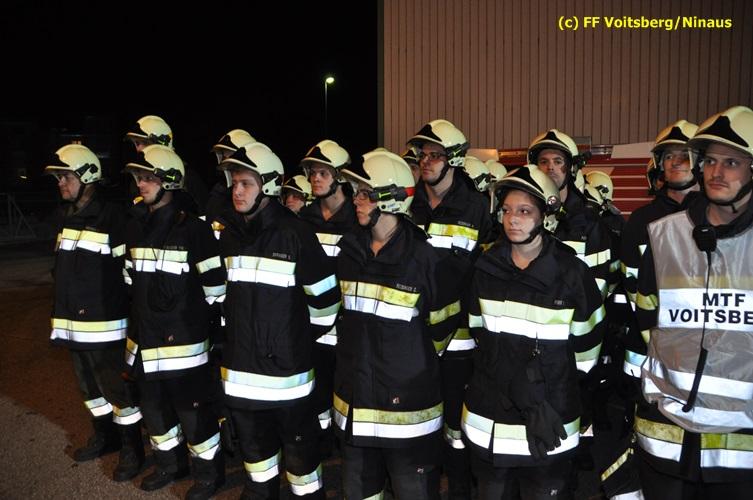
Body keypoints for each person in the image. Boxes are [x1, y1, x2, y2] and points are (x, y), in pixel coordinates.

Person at [462, 165, 605, 500]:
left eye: (525, 211)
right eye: (507, 210)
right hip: (489, 422)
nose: (513, 219)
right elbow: (477, 334)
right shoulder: (484, 269)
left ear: (547, 216)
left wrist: (548, 394)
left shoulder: (573, 275)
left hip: (548, 422)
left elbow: (587, 354)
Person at [633, 105, 753, 499]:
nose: (717, 172)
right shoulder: (664, 235)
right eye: (711, 161)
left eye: (732, 162)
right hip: (668, 432)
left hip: (741, 442)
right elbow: (646, 319)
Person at [217, 141, 340, 499]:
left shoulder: (295, 233)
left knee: (302, 464)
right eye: (234, 183)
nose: (237, 191)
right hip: (242, 376)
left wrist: (293, 341)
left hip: (289, 379)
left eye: (246, 183)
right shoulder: (230, 235)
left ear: (268, 185)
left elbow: (327, 302)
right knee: (256, 460)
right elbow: (222, 301)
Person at [335, 148, 455, 500]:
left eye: (365, 194)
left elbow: (442, 329)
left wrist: (406, 367)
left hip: (408, 415)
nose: (356, 201)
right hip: (355, 406)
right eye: (356, 193)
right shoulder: (349, 252)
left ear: (391, 199)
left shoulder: (425, 259)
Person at [123, 145, 226, 498]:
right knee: (154, 411)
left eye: (148, 178)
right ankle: (170, 465)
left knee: (194, 415)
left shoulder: (194, 230)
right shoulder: (135, 227)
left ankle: (209, 476)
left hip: (185, 346)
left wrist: (201, 331)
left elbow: (216, 290)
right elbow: (129, 281)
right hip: (146, 342)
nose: (141, 184)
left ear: (170, 181)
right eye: (138, 178)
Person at [45, 144, 145, 482]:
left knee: (117, 391)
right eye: (58, 178)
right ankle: (106, 436)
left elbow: (128, 273)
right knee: (89, 390)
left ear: (87, 177)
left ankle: (132, 448)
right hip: (72, 324)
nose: (60, 183)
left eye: (66, 177)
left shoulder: (112, 218)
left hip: (105, 326)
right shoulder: (64, 216)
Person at [408, 119, 493, 499]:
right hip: (413, 334)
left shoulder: (477, 207)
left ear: (454, 159)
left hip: (459, 340)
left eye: (435, 155)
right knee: (420, 416)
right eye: (422, 154)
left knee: (456, 424)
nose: (426, 161)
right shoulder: (409, 205)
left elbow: (485, 275)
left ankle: (459, 488)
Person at [298, 139, 358, 444]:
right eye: (312, 173)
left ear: (340, 177)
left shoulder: (358, 219)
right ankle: (321, 446)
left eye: (323, 173)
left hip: (348, 329)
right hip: (314, 326)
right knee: (317, 397)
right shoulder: (303, 220)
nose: (315, 178)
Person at [124, 114, 209, 214]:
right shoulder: (136, 181)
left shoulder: (188, 178)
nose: (138, 149)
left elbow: (203, 215)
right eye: (136, 143)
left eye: (144, 142)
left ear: (163, 142)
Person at [207, 129, 257, 221]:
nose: (226, 162)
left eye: (232, 157)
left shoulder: (261, 200)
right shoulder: (219, 191)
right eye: (224, 157)